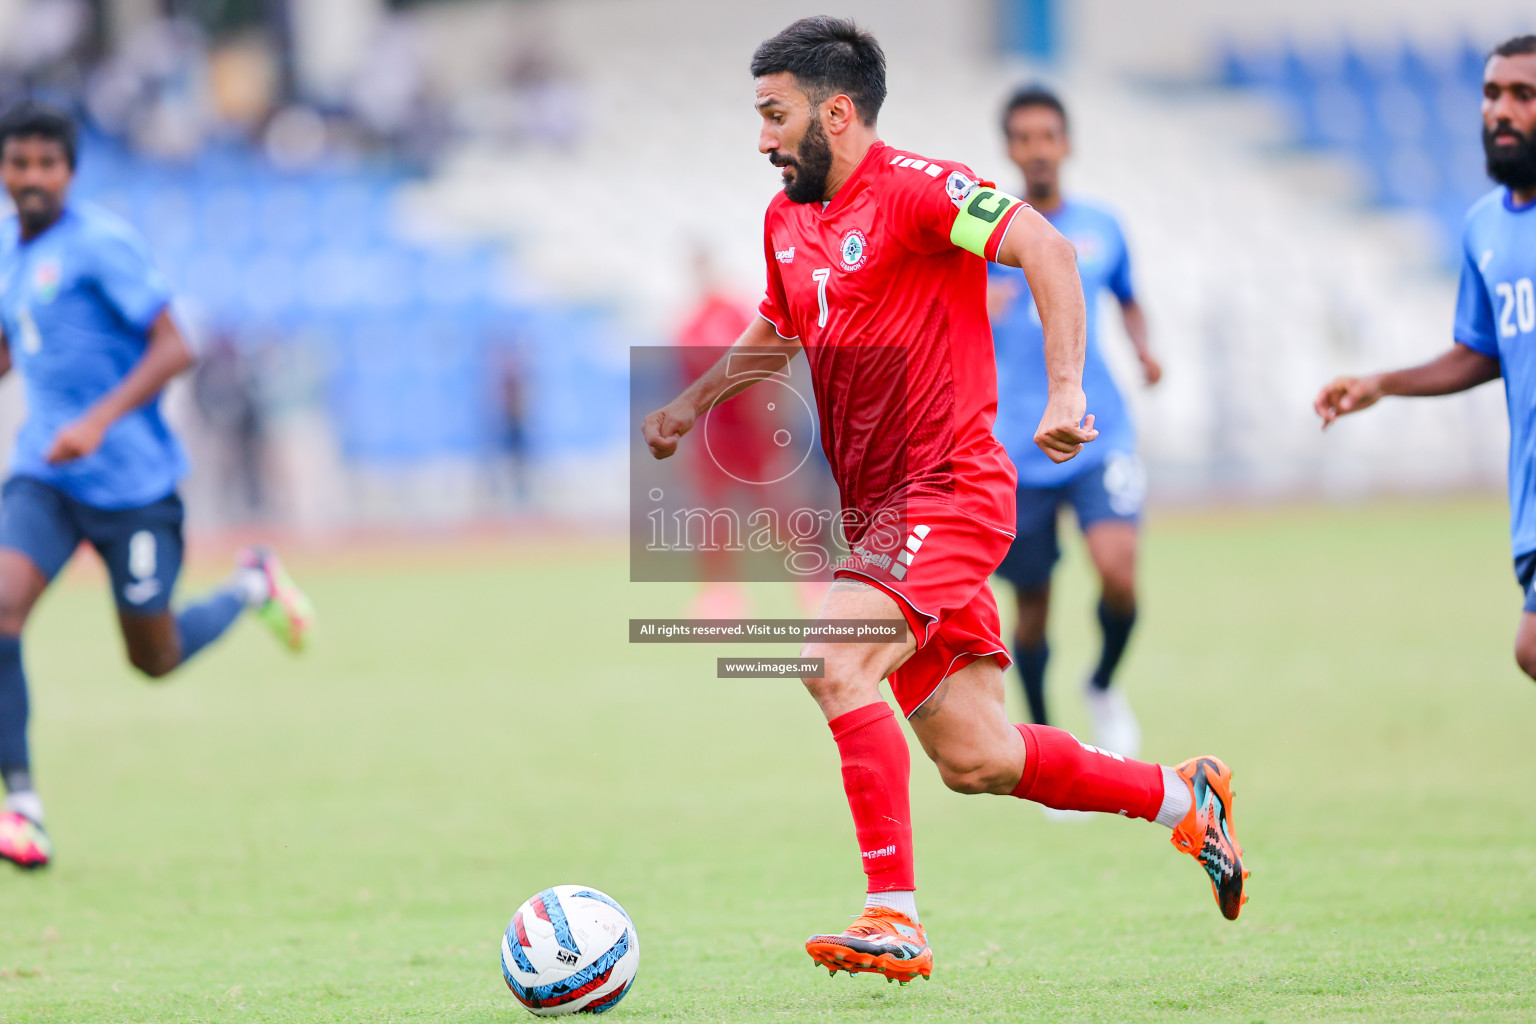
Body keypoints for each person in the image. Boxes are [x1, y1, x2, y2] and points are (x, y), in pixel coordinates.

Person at [642, 17, 1246, 986]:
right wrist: (690, 403)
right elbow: (779, 325)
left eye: (774, 115)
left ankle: (893, 912)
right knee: (978, 756)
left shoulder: (922, 192)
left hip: (952, 492)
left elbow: (1046, 248)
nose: (759, 138)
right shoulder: (786, 218)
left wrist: (1064, 391)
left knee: (833, 658)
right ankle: (1184, 798)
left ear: (835, 114)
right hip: (881, 517)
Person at [0, 105, 315, 871]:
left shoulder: (101, 245)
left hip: (132, 485)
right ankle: (23, 805)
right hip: (46, 476)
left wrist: (100, 420)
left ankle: (249, 586)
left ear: (70, 171)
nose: (32, 177)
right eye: (19, 163)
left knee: (154, 656)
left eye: (47, 163)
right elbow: (19, 346)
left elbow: (177, 346)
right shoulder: (9, 250)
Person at [1317, 36, 1536, 682]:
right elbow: (1483, 350)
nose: (1501, 110)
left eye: (1523, 95)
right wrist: (1382, 383)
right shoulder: (1483, 227)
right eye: (1492, 94)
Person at [987, 86, 1161, 757]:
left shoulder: (1102, 227)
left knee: (1119, 572)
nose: (1037, 149)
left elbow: (1128, 298)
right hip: (1018, 448)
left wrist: (1145, 350)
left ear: (1066, 144)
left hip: (1096, 432)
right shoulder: (985, 237)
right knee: (1031, 608)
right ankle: (1045, 737)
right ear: (1010, 148)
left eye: (1047, 136)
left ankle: (1103, 683)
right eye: (1023, 137)